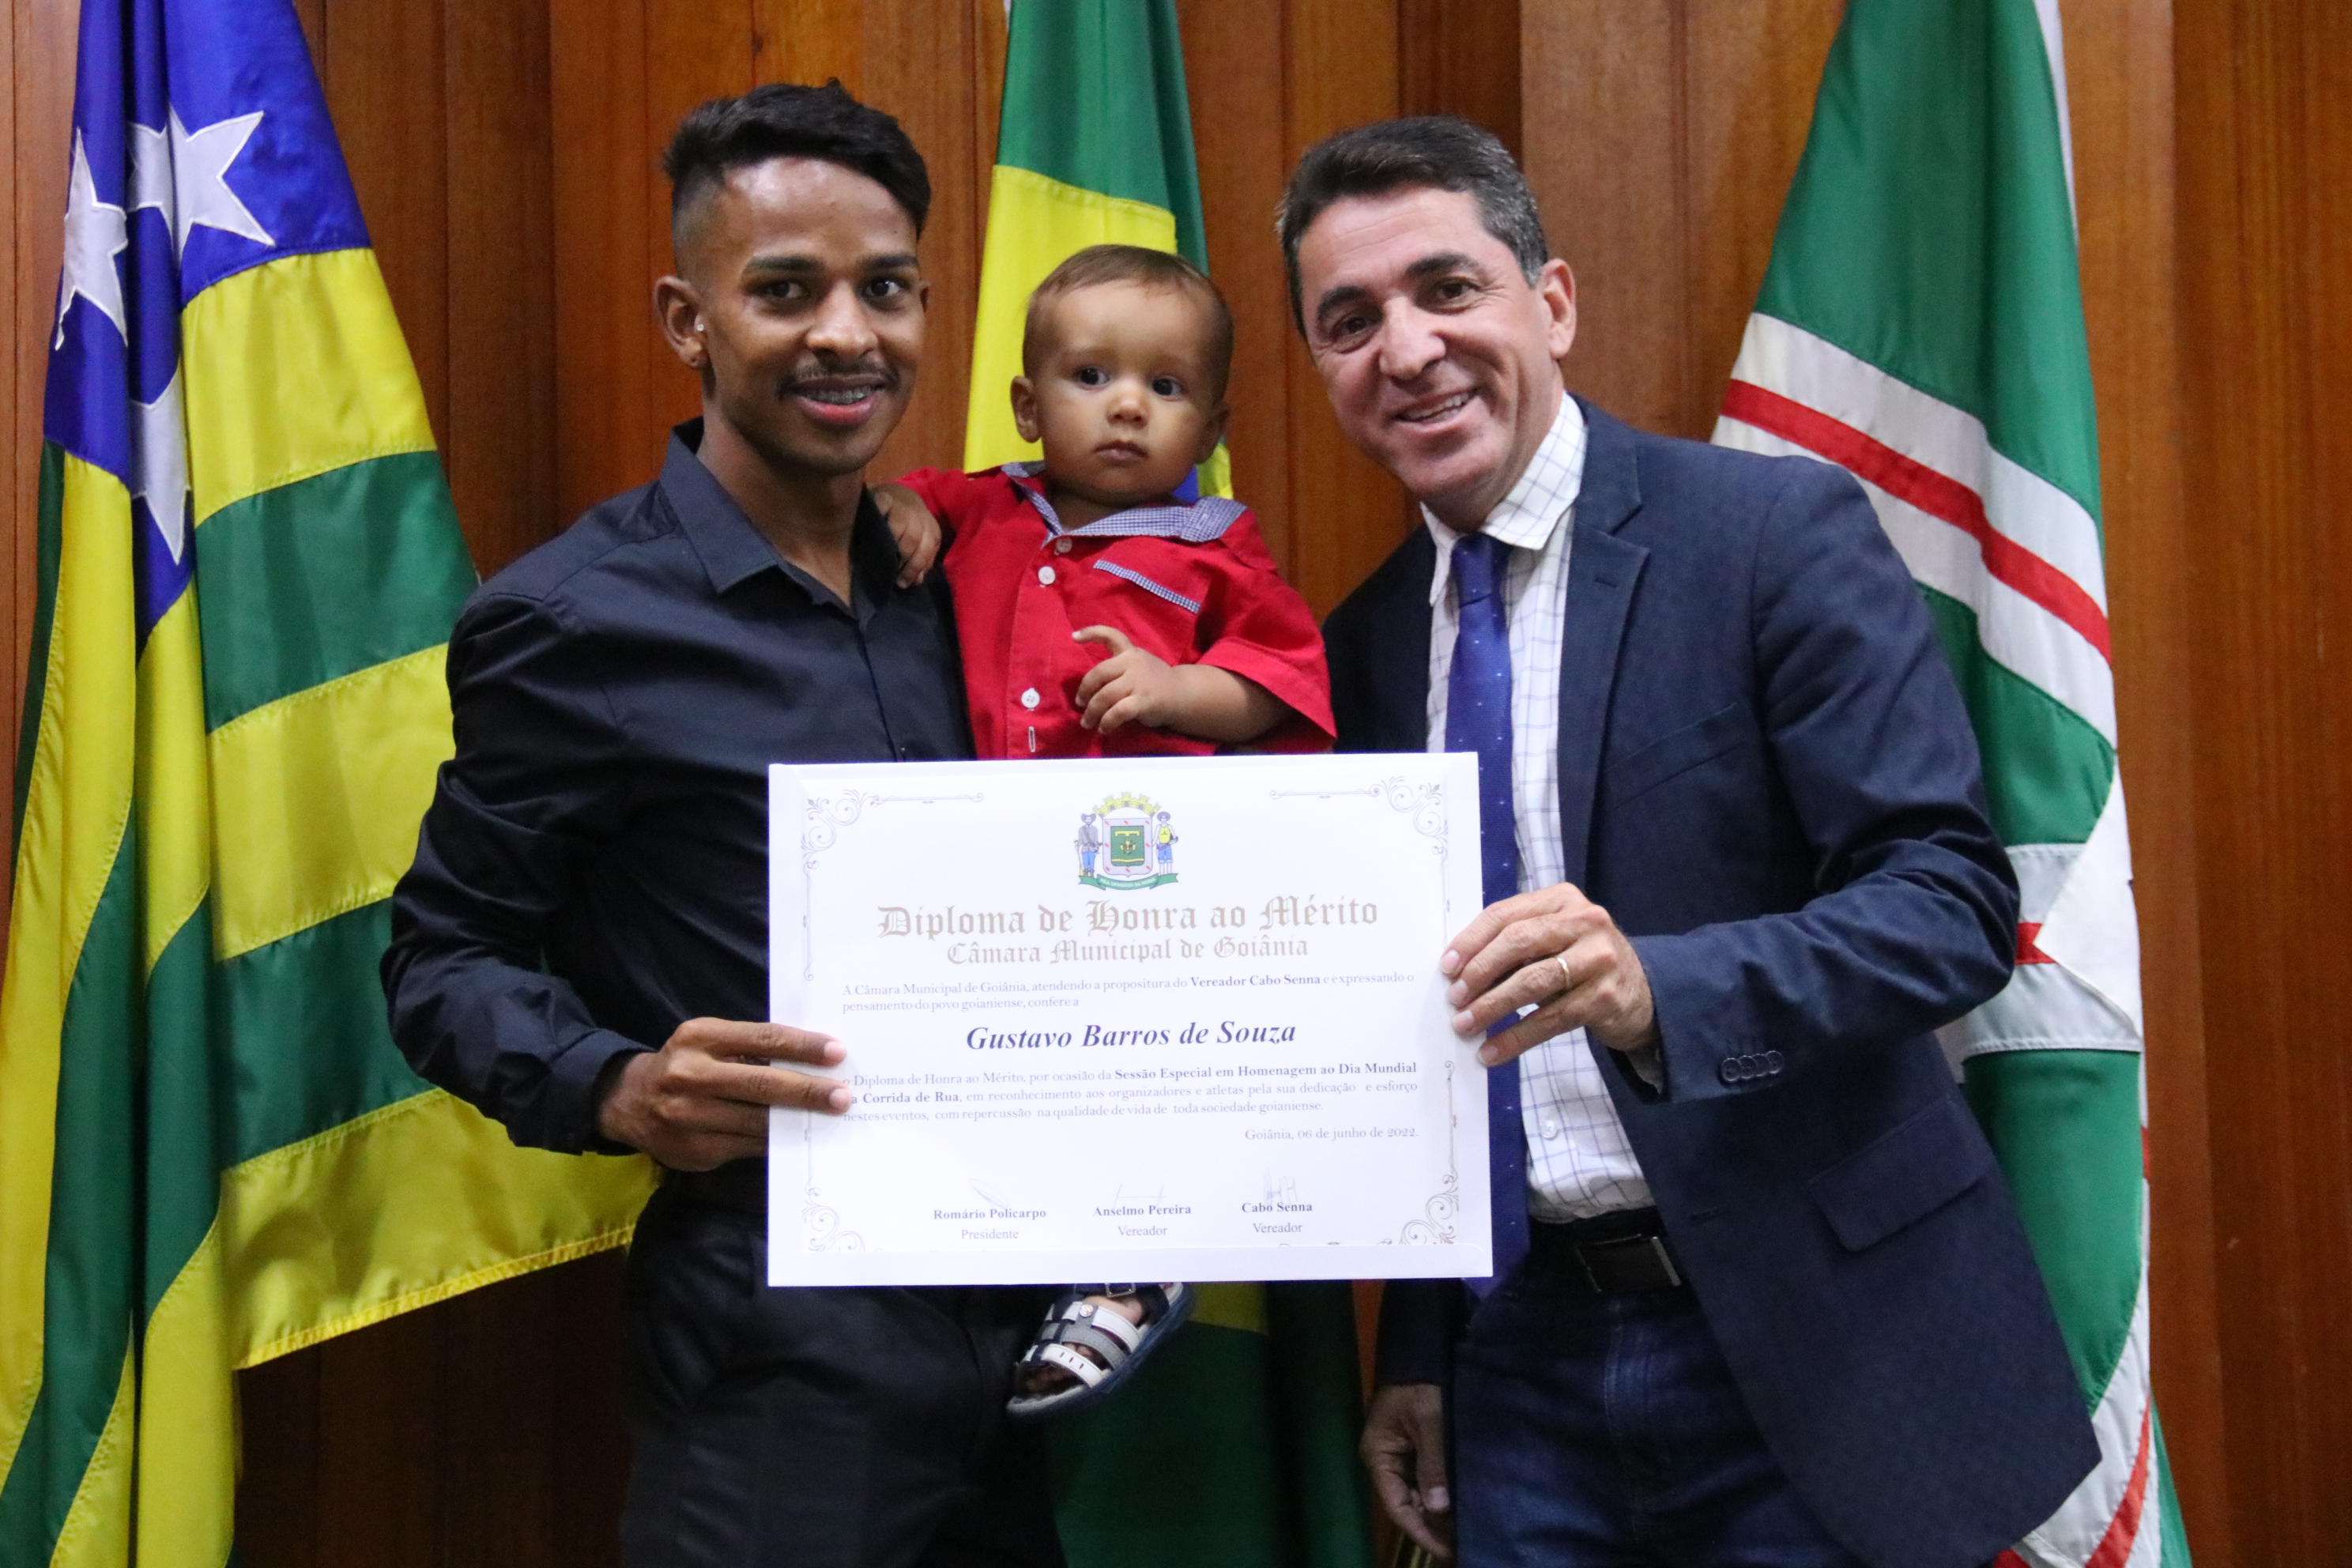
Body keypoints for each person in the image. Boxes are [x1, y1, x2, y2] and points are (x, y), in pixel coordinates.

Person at [1294, 118, 2098, 1568]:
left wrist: (1657, 989)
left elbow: (1951, 904)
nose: (1405, 350)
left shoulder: (1768, 535)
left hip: (1814, 1346)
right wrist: (1419, 1347)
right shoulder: (1354, 652)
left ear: (1553, 303)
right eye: (1350, 322)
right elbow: (1422, 1038)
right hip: (1521, 1367)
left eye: (1448, 289)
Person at [380, 83, 1063, 1568]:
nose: (847, 334)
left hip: (1029, 1336)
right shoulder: (575, 622)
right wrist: (619, 1086)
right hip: (777, 1345)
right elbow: (441, 957)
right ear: (688, 321)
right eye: (786, 290)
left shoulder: (977, 586)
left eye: (887, 289)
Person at [880, 243, 1333, 1415]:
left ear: (1211, 427)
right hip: (987, 879)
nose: (1127, 405)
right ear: (1029, 404)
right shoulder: (976, 507)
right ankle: (998, 1250)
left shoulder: (1217, 548)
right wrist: (899, 507)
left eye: (1166, 387)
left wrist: (1181, 691)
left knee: (1140, 1070)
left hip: (1143, 885)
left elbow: (1282, 685)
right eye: (1091, 377)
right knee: (1006, 1069)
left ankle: (1133, 1269)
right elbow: (890, 506)